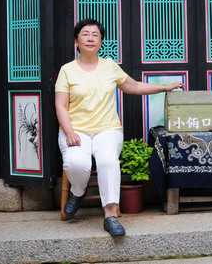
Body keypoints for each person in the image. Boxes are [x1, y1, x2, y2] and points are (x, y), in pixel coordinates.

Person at [55, 18, 183, 236]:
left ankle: (110, 215)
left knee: (108, 161)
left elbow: (134, 86)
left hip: (107, 129)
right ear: (76, 41)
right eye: (85, 34)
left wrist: (164, 87)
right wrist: (69, 131)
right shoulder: (67, 70)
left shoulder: (110, 66)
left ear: (101, 42)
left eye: (95, 35)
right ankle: (78, 191)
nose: (90, 38)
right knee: (77, 163)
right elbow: (60, 105)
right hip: (76, 130)